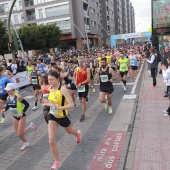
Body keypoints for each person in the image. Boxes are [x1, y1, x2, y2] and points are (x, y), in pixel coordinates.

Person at [47, 71, 81, 170]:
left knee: (70, 131)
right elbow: (51, 101)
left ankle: (78, 134)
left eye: (52, 79)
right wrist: (47, 105)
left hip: (63, 117)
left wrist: (58, 108)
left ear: (58, 79)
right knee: (51, 141)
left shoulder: (63, 89)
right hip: (52, 116)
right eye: (48, 80)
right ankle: (57, 161)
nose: (50, 81)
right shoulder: (50, 88)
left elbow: (71, 105)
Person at [1, 83, 37, 151]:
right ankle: (26, 143)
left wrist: (22, 112)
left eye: (9, 90)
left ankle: (31, 126)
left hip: (21, 117)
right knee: (18, 133)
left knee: (19, 134)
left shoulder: (18, 97)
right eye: (6, 90)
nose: (7, 91)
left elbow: (27, 104)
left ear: (13, 89)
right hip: (14, 117)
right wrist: (5, 109)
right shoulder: (8, 97)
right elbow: (9, 105)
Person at [74, 56, 90, 122]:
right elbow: (74, 76)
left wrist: (82, 83)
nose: (80, 63)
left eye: (81, 62)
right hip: (79, 87)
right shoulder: (76, 69)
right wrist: (75, 81)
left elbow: (88, 79)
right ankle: (86, 98)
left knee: (83, 102)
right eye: (79, 62)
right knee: (81, 101)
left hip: (85, 86)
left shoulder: (87, 69)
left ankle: (83, 115)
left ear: (83, 62)